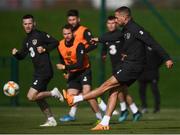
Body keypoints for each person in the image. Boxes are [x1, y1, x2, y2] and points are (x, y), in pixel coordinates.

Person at [63, 6, 173, 130]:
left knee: (106, 85)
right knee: (113, 91)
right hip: (130, 65)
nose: (115, 20)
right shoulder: (126, 29)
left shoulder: (136, 29)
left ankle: (74, 99)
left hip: (132, 66)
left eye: (116, 18)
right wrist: (98, 39)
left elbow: (153, 43)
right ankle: (104, 123)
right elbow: (114, 37)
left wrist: (167, 58)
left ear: (124, 17)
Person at [12, 14, 64, 127]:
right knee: (38, 98)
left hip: (44, 70)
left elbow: (56, 42)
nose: (28, 26)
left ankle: (53, 93)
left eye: (30, 23)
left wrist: (45, 48)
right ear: (23, 25)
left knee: (31, 96)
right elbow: (22, 56)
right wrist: (16, 54)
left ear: (34, 24)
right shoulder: (26, 40)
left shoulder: (40, 35)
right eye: (25, 24)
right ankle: (51, 120)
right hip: (38, 72)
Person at [92, 15, 141, 122]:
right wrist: (103, 55)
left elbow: (129, 45)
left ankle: (126, 110)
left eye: (113, 23)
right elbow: (105, 48)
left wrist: (126, 54)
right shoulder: (105, 36)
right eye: (109, 23)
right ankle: (134, 111)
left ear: (116, 23)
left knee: (118, 90)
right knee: (121, 90)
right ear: (106, 24)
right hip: (115, 66)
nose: (111, 25)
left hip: (125, 66)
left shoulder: (121, 34)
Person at [59, 9, 100, 122]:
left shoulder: (84, 31)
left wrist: (81, 51)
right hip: (73, 70)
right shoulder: (62, 43)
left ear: (78, 19)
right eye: (69, 20)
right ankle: (72, 114)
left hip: (83, 67)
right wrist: (65, 72)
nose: (72, 21)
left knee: (87, 94)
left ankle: (100, 118)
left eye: (73, 19)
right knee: (71, 96)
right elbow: (61, 58)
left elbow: (94, 44)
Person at [138, 46, 163, 113]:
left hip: (152, 73)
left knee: (154, 90)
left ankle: (157, 108)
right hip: (142, 73)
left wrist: (155, 66)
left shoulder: (154, 47)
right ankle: (144, 107)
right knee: (142, 91)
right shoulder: (139, 47)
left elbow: (161, 58)